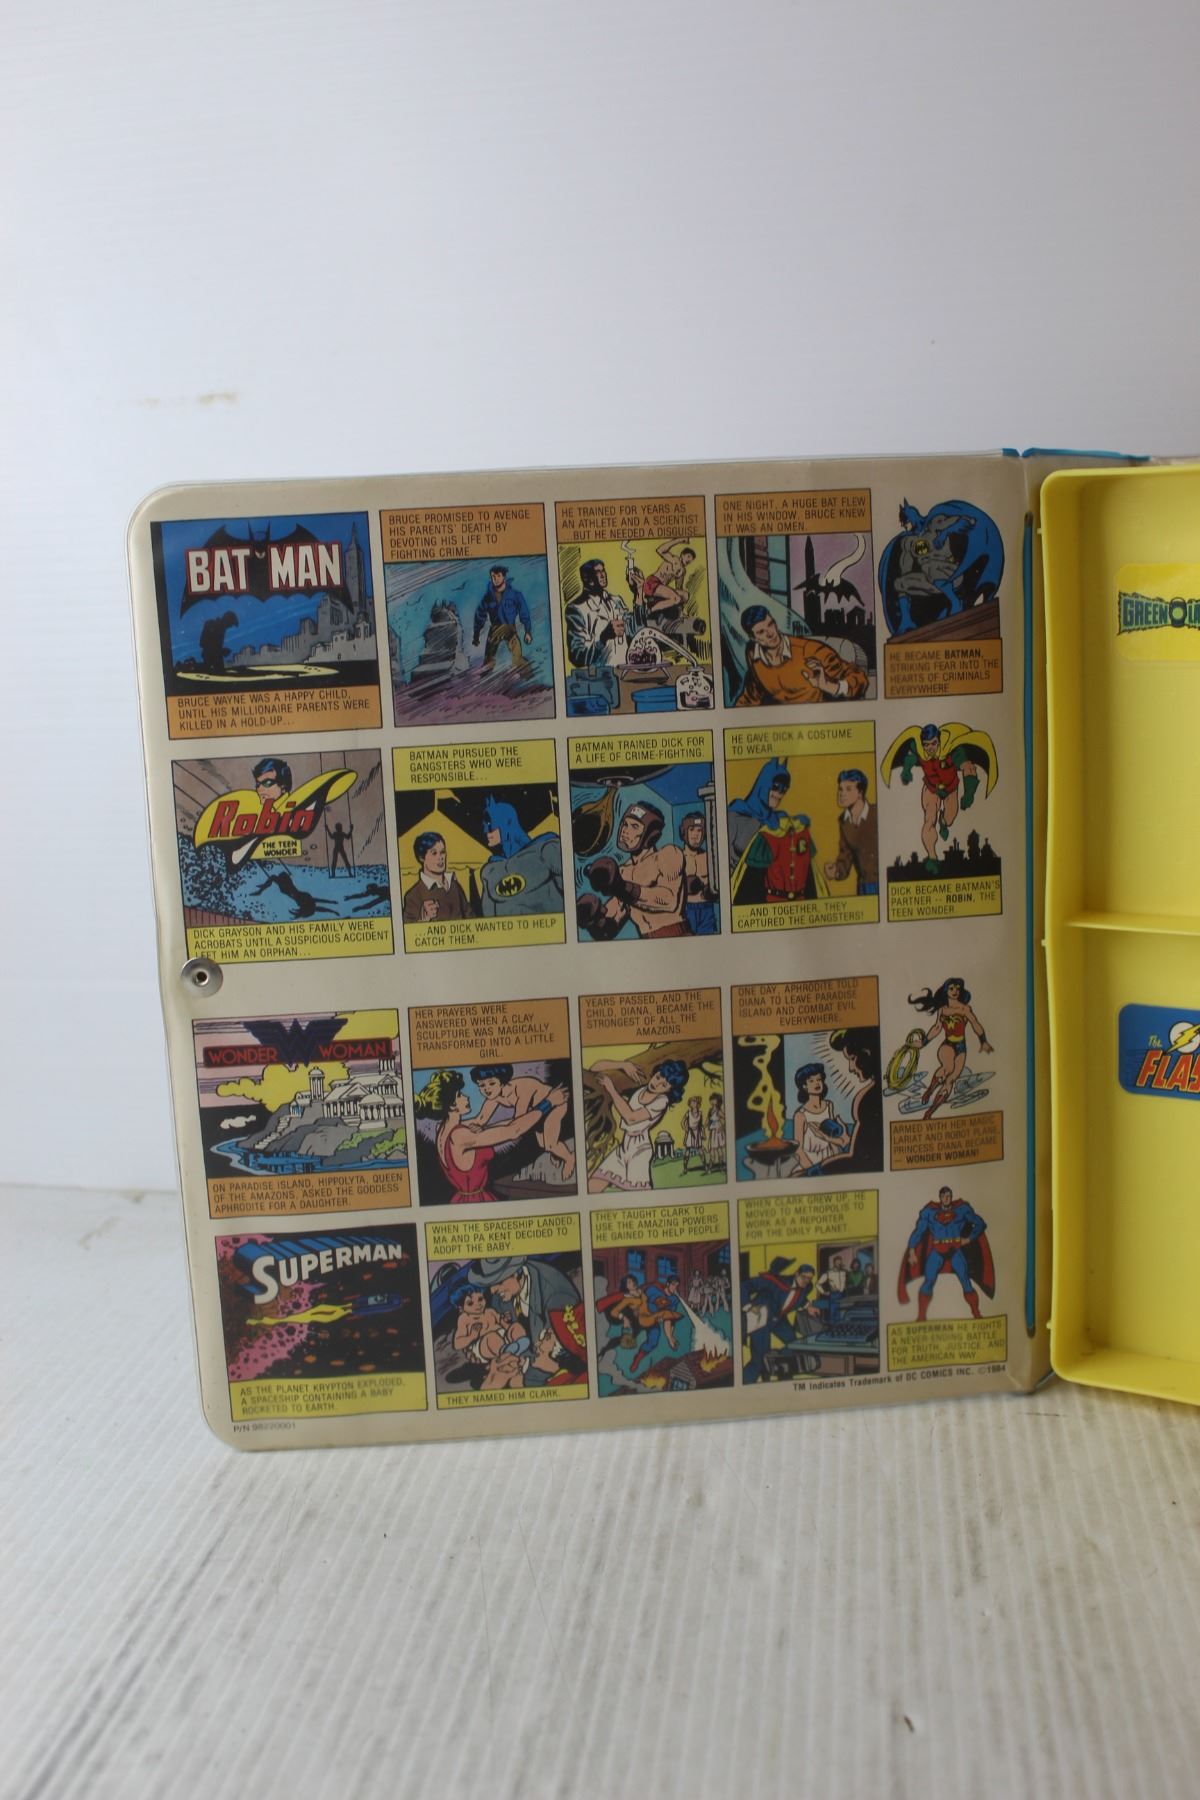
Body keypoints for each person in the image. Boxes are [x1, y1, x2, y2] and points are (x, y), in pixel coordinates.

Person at [413, 1068, 564, 1203]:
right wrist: (548, 1103)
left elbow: (500, 1125)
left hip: (463, 1199)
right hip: (475, 1200)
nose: (466, 1097)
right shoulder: (459, 1136)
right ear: (452, 1105)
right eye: (460, 1095)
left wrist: (527, 1115)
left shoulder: (442, 1128)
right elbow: (514, 1131)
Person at [577, 801, 687, 940]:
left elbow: (669, 901)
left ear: (651, 835)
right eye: (625, 824)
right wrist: (592, 918)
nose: (625, 831)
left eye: (634, 826)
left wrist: (621, 887)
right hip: (647, 944)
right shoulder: (623, 872)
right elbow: (609, 928)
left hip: (678, 938)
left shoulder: (668, 855)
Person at [734, 604, 868, 706]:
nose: (770, 633)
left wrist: (829, 686)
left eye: (771, 624)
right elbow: (751, 695)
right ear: (753, 638)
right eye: (761, 632)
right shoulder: (753, 655)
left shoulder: (811, 650)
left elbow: (859, 678)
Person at [588, 1058, 688, 1192]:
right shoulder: (642, 1080)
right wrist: (623, 1064)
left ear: (670, 1090)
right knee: (592, 1185)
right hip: (624, 1147)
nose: (656, 1084)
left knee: (638, 1195)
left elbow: (631, 1118)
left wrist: (611, 1090)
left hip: (640, 1151)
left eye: (664, 1085)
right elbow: (594, 1068)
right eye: (658, 1077)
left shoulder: (662, 1101)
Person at [470, 1061, 574, 1183]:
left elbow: (519, 1122)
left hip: (554, 1105)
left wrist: (485, 1129)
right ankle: (556, 1153)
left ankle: (569, 1158)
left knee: (550, 1144)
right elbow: (480, 1119)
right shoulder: (493, 1097)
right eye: (482, 1085)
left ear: (502, 1081)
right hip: (536, 1113)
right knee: (543, 1143)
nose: (487, 1089)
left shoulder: (521, 1088)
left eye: (491, 1083)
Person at [901, 1187, 993, 1319]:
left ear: (951, 1196)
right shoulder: (930, 1212)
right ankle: (921, 1317)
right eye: (944, 1196)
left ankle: (976, 1313)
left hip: (955, 1250)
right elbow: (919, 1231)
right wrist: (911, 1250)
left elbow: (979, 1223)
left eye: (948, 1195)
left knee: (965, 1281)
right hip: (937, 1251)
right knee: (929, 1281)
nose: (946, 1198)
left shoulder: (961, 1210)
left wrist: (968, 1239)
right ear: (940, 1197)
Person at [907, 978, 994, 1110]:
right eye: (951, 988)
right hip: (947, 1045)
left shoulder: (965, 1009)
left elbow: (975, 1023)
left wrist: (983, 1041)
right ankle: (930, 1090)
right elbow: (937, 1028)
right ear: (946, 991)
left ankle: (930, 1112)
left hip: (961, 1048)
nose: (955, 991)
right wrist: (923, 1042)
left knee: (951, 1079)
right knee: (947, 1067)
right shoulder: (942, 1010)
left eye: (958, 989)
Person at [479, 798, 562, 916]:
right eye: (484, 823)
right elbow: (489, 916)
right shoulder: (490, 870)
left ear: (506, 822)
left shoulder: (545, 849)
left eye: (489, 823)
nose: (485, 830)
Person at [821, 1028, 883, 1173]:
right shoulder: (872, 1094)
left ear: (867, 1054)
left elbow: (858, 1160)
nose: (850, 1068)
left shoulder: (869, 1099)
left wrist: (816, 1171)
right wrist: (845, 1138)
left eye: (852, 1058)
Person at [565, 558, 633, 669]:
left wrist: (638, 593)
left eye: (603, 571)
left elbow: (634, 631)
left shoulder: (616, 601)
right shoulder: (577, 609)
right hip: (602, 675)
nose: (603, 575)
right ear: (586, 578)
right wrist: (603, 638)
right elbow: (577, 657)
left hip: (626, 671)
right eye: (597, 572)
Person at [822, 769, 879, 896]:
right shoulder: (843, 821)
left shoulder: (877, 813)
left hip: (884, 883)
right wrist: (836, 871)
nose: (841, 794)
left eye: (848, 789)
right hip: (864, 887)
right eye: (840, 789)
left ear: (860, 792)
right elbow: (846, 856)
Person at [790, 1063, 850, 1173]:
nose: (817, 1083)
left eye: (819, 1079)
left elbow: (832, 1138)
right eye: (811, 1081)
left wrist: (837, 1159)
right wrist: (812, 1170)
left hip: (829, 1156)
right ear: (804, 1086)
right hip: (810, 1162)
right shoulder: (800, 1115)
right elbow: (798, 1150)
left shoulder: (829, 1105)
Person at [472, 564, 533, 670]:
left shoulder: (515, 595)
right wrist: (476, 635)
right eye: (493, 576)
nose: (495, 579)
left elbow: (524, 612)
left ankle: (528, 676)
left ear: (504, 576)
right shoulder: (488, 597)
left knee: (518, 658)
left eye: (498, 576)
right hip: (495, 630)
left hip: (510, 629)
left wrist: (528, 631)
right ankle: (485, 676)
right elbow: (479, 616)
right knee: (488, 661)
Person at [402, 831, 470, 923]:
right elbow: (408, 929)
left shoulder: (455, 886)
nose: (440, 857)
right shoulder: (413, 896)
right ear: (421, 858)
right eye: (434, 853)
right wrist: (423, 920)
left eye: (442, 852)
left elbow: (471, 917)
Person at [680, 811, 718, 934]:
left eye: (699, 830)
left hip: (707, 909)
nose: (696, 835)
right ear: (684, 831)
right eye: (692, 829)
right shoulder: (677, 857)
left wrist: (711, 891)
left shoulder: (709, 858)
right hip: (686, 909)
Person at [680, 1094, 705, 1173]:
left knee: (700, 1149)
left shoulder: (700, 1113)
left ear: (697, 1103)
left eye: (693, 1102)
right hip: (690, 1133)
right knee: (687, 1150)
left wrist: (703, 1133)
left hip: (697, 1133)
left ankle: (705, 1165)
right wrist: (685, 1128)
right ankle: (685, 1168)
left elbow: (701, 1125)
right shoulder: (688, 1113)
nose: (692, 1104)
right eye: (691, 1102)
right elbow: (682, 1122)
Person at [706, 1094, 726, 1173]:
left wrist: (722, 1126)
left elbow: (725, 1118)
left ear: (718, 1101)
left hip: (718, 1133)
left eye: (714, 1099)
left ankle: (721, 1167)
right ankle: (710, 1168)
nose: (712, 1101)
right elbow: (707, 1120)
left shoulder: (719, 1111)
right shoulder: (710, 1110)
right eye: (711, 1099)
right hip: (713, 1132)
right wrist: (703, 1127)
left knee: (720, 1151)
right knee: (712, 1151)